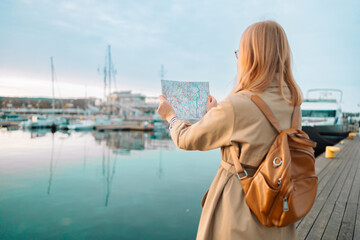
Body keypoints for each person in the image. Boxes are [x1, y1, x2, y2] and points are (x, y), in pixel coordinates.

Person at [157, 20, 302, 240]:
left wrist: (171, 116)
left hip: (240, 206)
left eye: (240, 52)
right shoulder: (292, 101)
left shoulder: (237, 104)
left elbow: (186, 139)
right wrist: (215, 112)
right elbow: (257, 138)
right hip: (277, 203)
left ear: (251, 56)